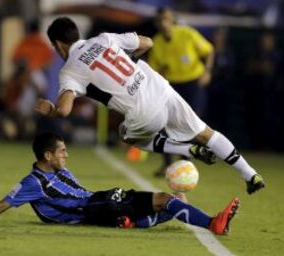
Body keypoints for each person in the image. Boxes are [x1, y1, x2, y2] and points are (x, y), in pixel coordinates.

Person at [35, 17, 264, 194]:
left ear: (57, 45)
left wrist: (51, 110)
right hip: (160, 87)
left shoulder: (70, 70)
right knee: (206, 133)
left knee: (127, 136)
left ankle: (186, 150)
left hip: (141, 110)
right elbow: (148, 42)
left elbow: (64, 110)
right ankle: (250, 174)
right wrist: (130, 59)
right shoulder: (103, 38)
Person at [0, 132, 239, 235]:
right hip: (91, 209)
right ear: (47, 155)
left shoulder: (61, 172)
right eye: (62, 151)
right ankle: (214, 223)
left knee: (176, 203)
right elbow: (0, 207)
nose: (67, 154)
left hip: (99, 202)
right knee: (163, 199)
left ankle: (128, 222)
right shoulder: (33, 181)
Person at [148, 8, 215, 176]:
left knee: (191, 123)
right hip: (172, 86)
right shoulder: (156, 43)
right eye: (160, 20)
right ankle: (167, 165)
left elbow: (209, 50)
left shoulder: (187, 34)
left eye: (166, 19)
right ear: (156, 23)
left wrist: (207, 71)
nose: (163, 23)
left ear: (172, 20)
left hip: (192, 83)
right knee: (166, 123)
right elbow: (153, 69)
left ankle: (186, 162)